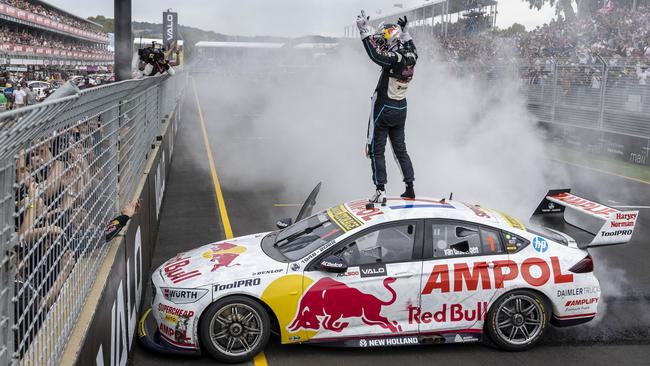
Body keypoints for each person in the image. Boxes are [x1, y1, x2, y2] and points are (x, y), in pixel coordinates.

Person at [356, 11, 417, 204]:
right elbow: (408, 46)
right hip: (401, 108)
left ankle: (380, 190)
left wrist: (364, 32)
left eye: (384, 38)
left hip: (384, 107)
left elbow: (376, 54)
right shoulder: (412, 55)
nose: (381, 41)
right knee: (401, 150)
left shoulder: (395, 58)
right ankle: (410, 187)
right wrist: (405, 33)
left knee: (376, 150)